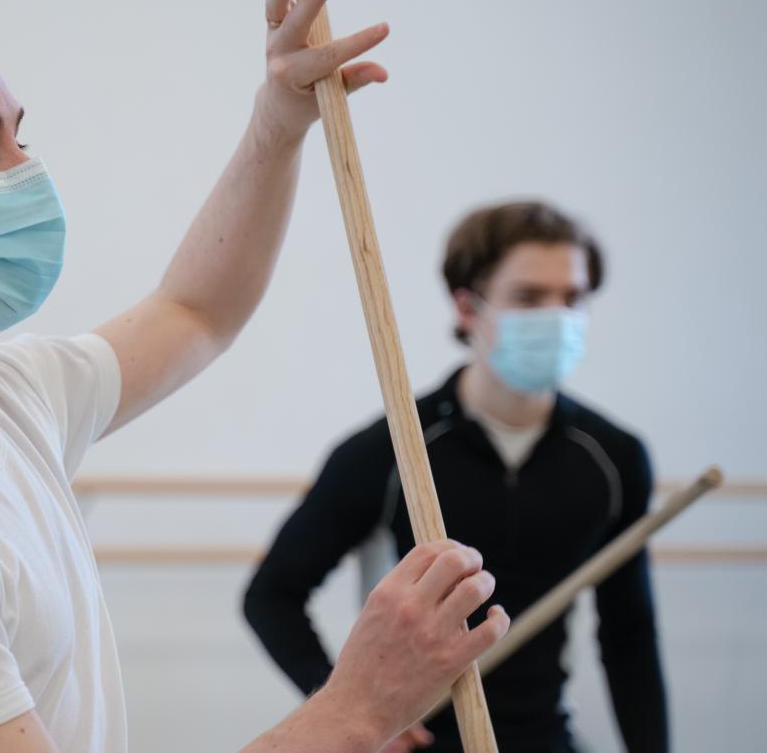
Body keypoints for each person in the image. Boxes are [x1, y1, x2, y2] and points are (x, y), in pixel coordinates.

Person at [0, 0, 508, 752]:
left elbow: (197, 311)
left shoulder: (6, 399)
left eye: (19, 141)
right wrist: (357, 708)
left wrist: (280, 118)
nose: (29, 175)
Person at [243, 200, 669, 753]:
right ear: (468, 307)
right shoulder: (393, 450)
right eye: (529, 297)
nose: (556, 317)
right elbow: (272, 594)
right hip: (418, 744)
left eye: (572, 298)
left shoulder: (614, 458)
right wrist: (351, 710)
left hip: (545, 739)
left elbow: (630, 634)